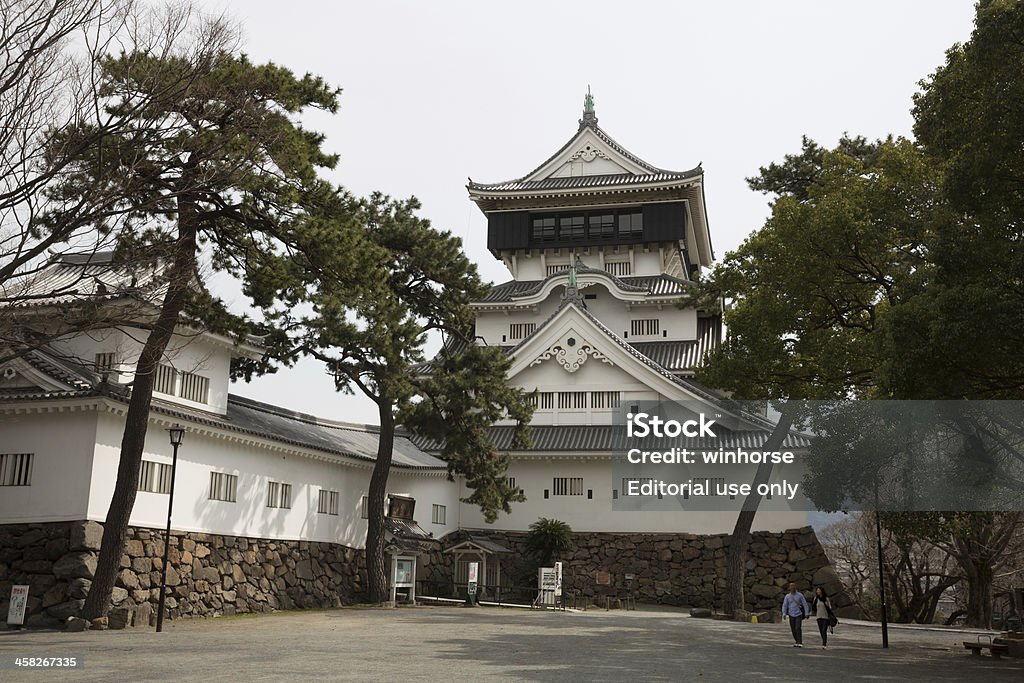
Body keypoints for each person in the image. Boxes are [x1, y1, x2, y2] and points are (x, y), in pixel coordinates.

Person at [781, 583, 809, 647]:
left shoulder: (800, 595)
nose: (792, 589)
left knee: (798, 628)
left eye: (793, 587)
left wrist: (807, 613)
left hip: (799, 614)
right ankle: (796, 641)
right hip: (791, 614)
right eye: (791, 588)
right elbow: (785, 605)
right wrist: (784, 613)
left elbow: (804, 604)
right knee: (793, 629)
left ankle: (800, 642)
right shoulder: (787, 596)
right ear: (789, 589)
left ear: (795, 588)